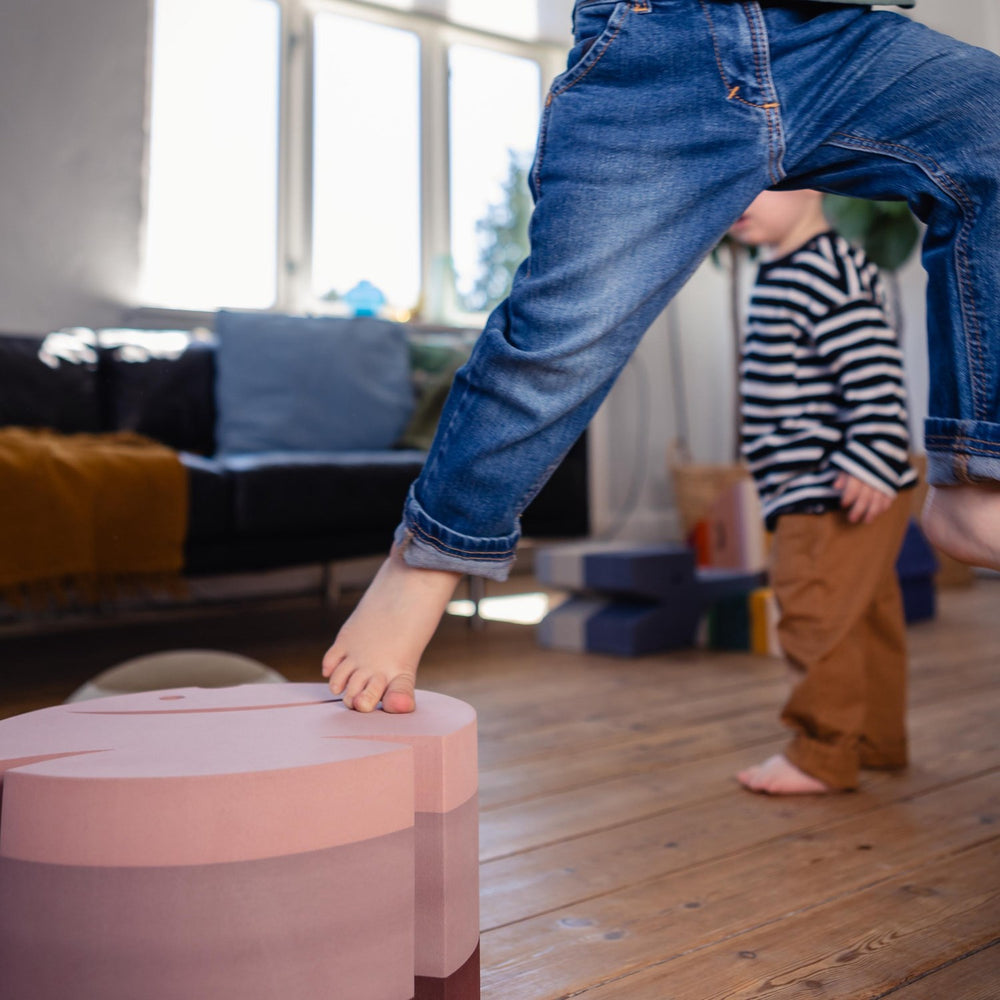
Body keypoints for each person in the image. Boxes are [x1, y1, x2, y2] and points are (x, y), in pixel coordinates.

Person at [323, 0, 1000, 715]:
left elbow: (872, 380)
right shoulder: (778, 273)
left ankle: (979, 473)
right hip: (666, 34)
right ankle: (427, 558)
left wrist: (874, 455)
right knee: (565, 328)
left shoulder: (830, 269)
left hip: (828, 29)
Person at [729, 188, 916, 794]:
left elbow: (873, 366)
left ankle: (822, 752)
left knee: (813, 612)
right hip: (844, 483)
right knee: (863, 618)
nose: (735, 196)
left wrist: (873, 452)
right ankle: (875, 741)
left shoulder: (822, 267)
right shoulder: (791, 265)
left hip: (829, 488)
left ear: (810, 179)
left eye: (757, 182)